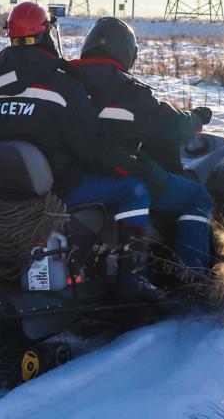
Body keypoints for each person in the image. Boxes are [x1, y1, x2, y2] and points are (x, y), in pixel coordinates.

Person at [0, 2, 163, 300]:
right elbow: (93, 148)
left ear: (10, 36)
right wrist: (131, 165)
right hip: (54, 196)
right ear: (47, 33)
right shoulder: (61, 85)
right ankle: (133, 279)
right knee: (134, 189)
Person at [69, 16, 215, 281]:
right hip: (122, 174)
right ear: (127, 52)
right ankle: (191, 278)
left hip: (74, 178)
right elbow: (171, 126)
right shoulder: (126, 89)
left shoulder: (66, 80)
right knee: (198, 197)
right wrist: (196, 118)